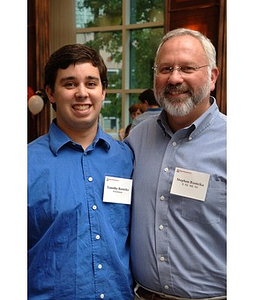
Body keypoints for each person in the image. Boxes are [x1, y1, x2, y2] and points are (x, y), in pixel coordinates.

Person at [126, 28, 226, 299]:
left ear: (212, 76)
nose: (174, 78)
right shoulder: (137, 138)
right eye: (165, 68)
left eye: (187, 68)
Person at [28, 44, 134, 299]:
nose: (82, 93)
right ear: (52, 94)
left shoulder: (127, 158)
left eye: (91, 83)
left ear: (103, 91)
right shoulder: (25, 163)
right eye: (70, 84)